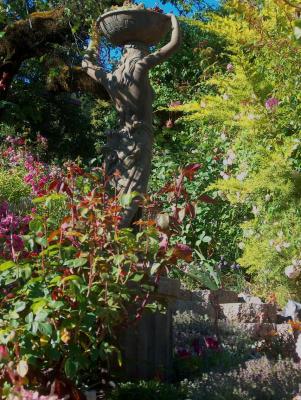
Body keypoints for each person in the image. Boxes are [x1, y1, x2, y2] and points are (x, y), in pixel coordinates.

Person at [82, 13, 181, 227]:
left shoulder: (112, 78)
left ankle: (108, 243)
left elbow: (85, 63)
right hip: (139, 140)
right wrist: (173, 20)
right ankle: (120, 246)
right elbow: (173, 44)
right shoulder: (141, 67)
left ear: (124, 54)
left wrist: (94, 35)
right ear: (141, 53)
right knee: (132, 198)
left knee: (114, 197)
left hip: (118, 143)